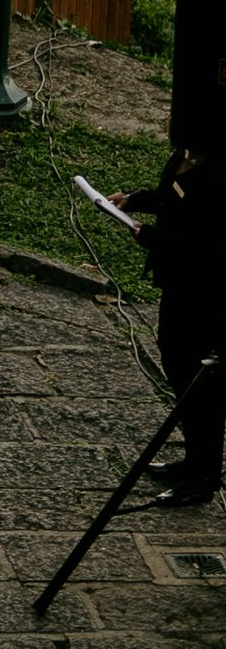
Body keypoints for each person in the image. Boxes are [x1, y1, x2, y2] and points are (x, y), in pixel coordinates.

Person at [117, 142, 225, 505]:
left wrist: (149, 237)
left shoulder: (219, 175)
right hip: (176, 286)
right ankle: (194, 462)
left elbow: (206, 242)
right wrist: (134, 199)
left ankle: (204, 478)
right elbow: (173, 199)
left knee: (200, 382)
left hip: (204, 294)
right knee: (179, 369)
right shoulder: (185, 155)